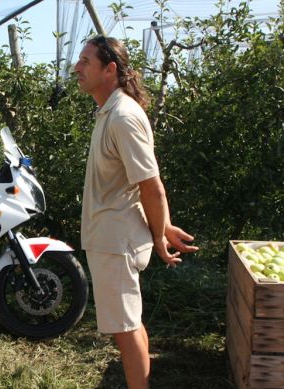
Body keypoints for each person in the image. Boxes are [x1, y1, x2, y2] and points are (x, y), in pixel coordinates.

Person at [75, 35, 199, 389]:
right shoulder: (109, 111)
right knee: (129, 323)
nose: (77, 67)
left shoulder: (123, 116)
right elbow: (137, 184)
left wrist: (160, 234)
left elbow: (150, 184)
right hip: (111, 237)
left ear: (109, 69)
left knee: (125, 329)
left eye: (86, 61)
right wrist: (164, 225)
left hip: (117, 242)